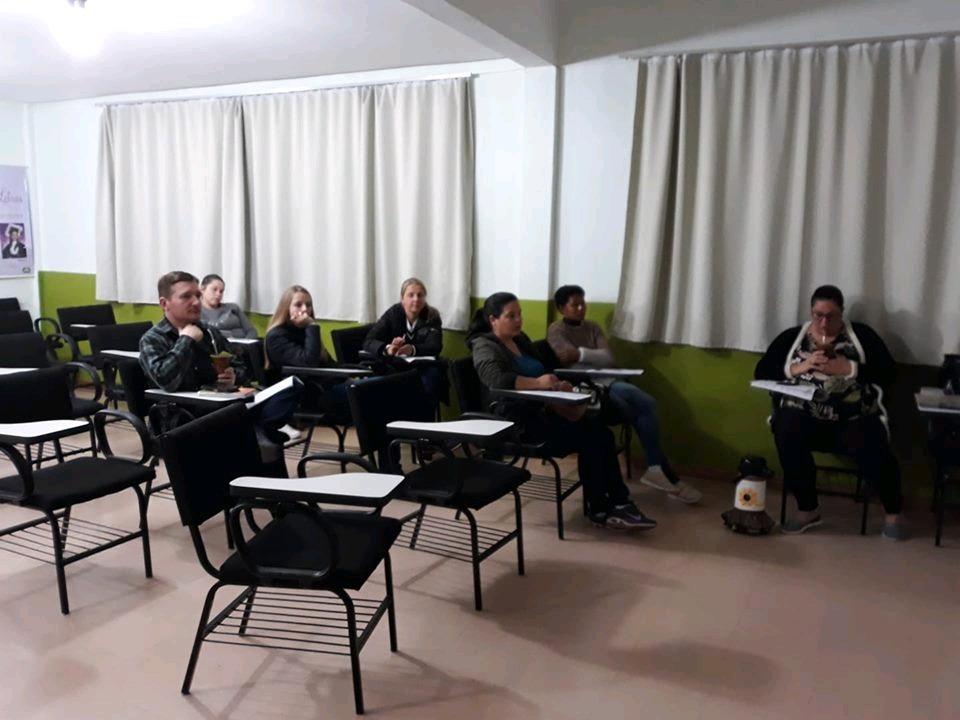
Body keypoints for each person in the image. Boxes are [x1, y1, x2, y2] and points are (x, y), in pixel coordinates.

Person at [467, 291, 656, 530]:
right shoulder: (484, 345)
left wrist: (557, 383)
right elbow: (496, 380)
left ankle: (614, 503)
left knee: (600, 432)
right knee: (595, 437)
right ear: (493, 320)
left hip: (545, 410)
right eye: (510, 316)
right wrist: (538, 384)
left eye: (519, 314)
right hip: (519, 423)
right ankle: (605, 507)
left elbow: (545, 370)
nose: (518, 320)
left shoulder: (520, 340)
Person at [754, 284, 905, 539]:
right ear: (811, 313)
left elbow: (890, 373)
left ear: (842, 313)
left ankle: (894, 513)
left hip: (852, 420)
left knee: (871, 439)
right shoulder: (792, 337)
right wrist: (798, 368)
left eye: (831, 316)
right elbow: (762, 371)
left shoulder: (863, 336)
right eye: (818, 316)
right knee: (785, 427)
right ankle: (807, 509)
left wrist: (851, 369)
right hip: (807, 419)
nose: (824, 323)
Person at [547, 285, 702, 504]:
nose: (581, 308)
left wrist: (579, 353)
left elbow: (608, 358)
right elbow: (565, 359)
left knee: (645, 402)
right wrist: (593, 355)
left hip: (608, 378)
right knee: (639, 407)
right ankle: (663, 473)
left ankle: (658, 470)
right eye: (575, 305)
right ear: (562, 308)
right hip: (587, 384)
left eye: (583, 303)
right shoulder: (556, 330)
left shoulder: (592, 327)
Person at [138, 270, 302, 449]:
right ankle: (259, 433)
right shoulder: (152, 339)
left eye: (197, 295)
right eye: (186, 296)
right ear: (164, 304)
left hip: (222, 406)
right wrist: (186, 340)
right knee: (260, 437)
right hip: (182, 417)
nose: (196, 302)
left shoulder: (210, 332)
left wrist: (233, 377)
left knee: (290, 389)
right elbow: (166, 380)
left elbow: (241, 369)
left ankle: (258, 431)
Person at [264, 285, 351, 421]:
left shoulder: (304, 331)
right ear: (286, 308)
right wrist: (312, 326)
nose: (305, 309)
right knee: (369, 393)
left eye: (308, 305)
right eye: (298, 305)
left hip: (328, 387)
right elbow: (308, 363)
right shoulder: (277, 336)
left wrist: (349, 378)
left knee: (375, 386)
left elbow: (329, 363)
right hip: (310, 394)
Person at [363, 277, 445, 406]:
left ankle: (423, 414)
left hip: (422, 367)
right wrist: (388, 348)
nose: (416, 299)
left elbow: (435, 346)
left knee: (432, 377)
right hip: (395, 366)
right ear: (402, 298)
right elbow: (369, 341)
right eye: (410, 295)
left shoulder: (432, 316)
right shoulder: (393, 314)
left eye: (420, 295)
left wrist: (412, 349)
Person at [199, 273, 258, 339]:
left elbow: (251, 331)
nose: (218, 294)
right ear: (202, 290)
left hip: (244, 343)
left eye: (221, 291)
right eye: (214, 289)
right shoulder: (196, 312)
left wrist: (246, 343)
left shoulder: (233, 307)